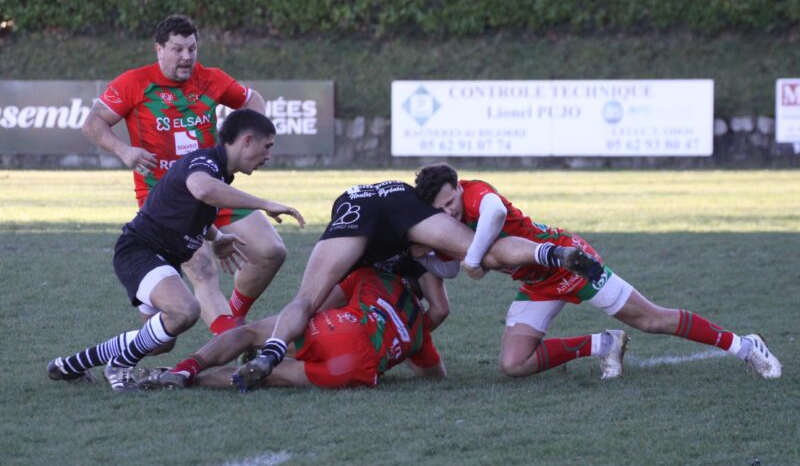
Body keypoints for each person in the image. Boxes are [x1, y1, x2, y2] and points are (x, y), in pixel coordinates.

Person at [413, 162, 782, 380]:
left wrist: (474, 258)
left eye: (451, 202)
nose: (450, 213)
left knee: (652, 320)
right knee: (513, 364)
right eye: (441, 210)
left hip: (572, 263)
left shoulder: (476, 192)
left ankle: (746, 345)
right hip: (536, 283)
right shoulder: (449, 216)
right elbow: (449, 269)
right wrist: (421, 259)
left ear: (460, 187)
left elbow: (493, 215)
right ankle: (604, 344)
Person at [232, 179, 604, 390]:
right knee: (485, 251)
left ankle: (270, 352)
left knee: (307, 299)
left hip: (356, 204)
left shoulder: (381, 268)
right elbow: (441, 305)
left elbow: (445, 283)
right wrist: (408, 338)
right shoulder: (418, 252)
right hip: (395, 206)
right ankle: (549, 253)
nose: (449, 213)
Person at [47, 110, 305, 392]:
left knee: (160, 342)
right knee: (185, 311)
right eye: (266, 146)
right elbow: (203, 190)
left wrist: (217, 238)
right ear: (246, 141)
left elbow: (193, 209)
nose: (268, 155)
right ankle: (119, 365)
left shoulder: (221, 172)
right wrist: (264, 204)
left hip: (160, 258)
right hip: (140, 251)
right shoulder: (204, 161)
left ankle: (68, 365)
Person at [82, 13, 283, 336]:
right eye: (177, 49)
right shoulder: (135, 83)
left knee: (272, 251)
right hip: (167, 199)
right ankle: (228, 347)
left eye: (192, 48)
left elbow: (252, 100)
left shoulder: (211, 79)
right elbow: (93, 123)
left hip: (213, 188)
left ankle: (233, 316)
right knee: (202, 269)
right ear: (158, 49)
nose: (187, 56)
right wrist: (125, 151)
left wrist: (248, 137)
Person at [141, 260, 451, 391]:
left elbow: (315, 304)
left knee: (251, 333)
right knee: (269, 378)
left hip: (343, 329)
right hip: (358, 371)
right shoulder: (421, 332)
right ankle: (197, 382)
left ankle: (184, 370)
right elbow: (436, 376)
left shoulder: (374, 276)